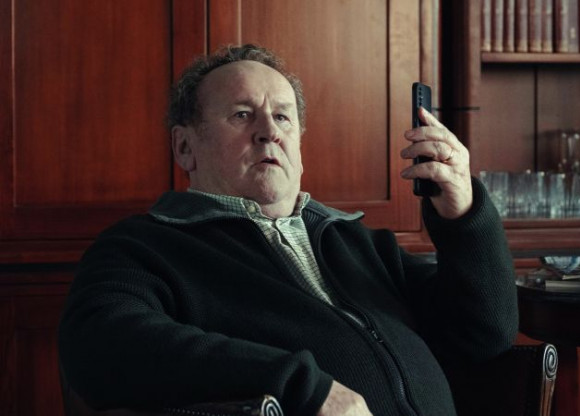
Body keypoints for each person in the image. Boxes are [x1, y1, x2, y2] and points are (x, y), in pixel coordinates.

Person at [58, 44, 518, 416]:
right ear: (184, 146)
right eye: (242, 115)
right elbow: (98, 346)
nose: (268, 132)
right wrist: (303, 387)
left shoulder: (359, 243)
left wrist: (463, 216)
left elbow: (484, 333)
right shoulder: (145, 246)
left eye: (282, 116)